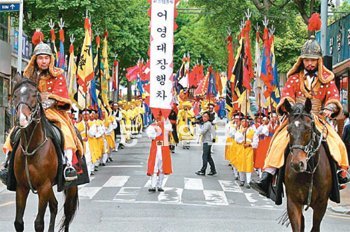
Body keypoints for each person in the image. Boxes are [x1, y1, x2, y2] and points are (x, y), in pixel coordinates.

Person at [251, 35, 350, 197]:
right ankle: (267, 176)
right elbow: (287, 95)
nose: (309, 63)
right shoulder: (294, 78)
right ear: (301, 61)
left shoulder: (327, 80)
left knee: (337, 142)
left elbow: (333, 98)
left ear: (318, 61)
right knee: (278, 141)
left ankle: (340, 174)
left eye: (313, 60)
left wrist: (329, 108)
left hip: (319, 118)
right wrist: (290, 106)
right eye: (306, 60)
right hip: (297, 117)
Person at [2, 41, 83, 181]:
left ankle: (68, 164)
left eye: (46, 58)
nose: (43, 61)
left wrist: (46, 100)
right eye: (40, 58)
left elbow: (61, 95)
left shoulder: (58, 75)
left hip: (53, 111)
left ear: (50, 59)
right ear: (35, 59)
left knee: (66, 132)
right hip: (32, 111)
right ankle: (7, 163)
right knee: (14, 133)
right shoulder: (29, 76)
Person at [146, 112, 173, 192]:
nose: (160, 119)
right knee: (154, 166)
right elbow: (150, 135)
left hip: (164, 147)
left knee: (162, 167)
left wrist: (162, 126)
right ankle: (153, 185)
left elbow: (169, 129)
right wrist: (156, 129)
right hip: (155, 148)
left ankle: (160, 185)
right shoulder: (152, 126)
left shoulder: (166, 125)